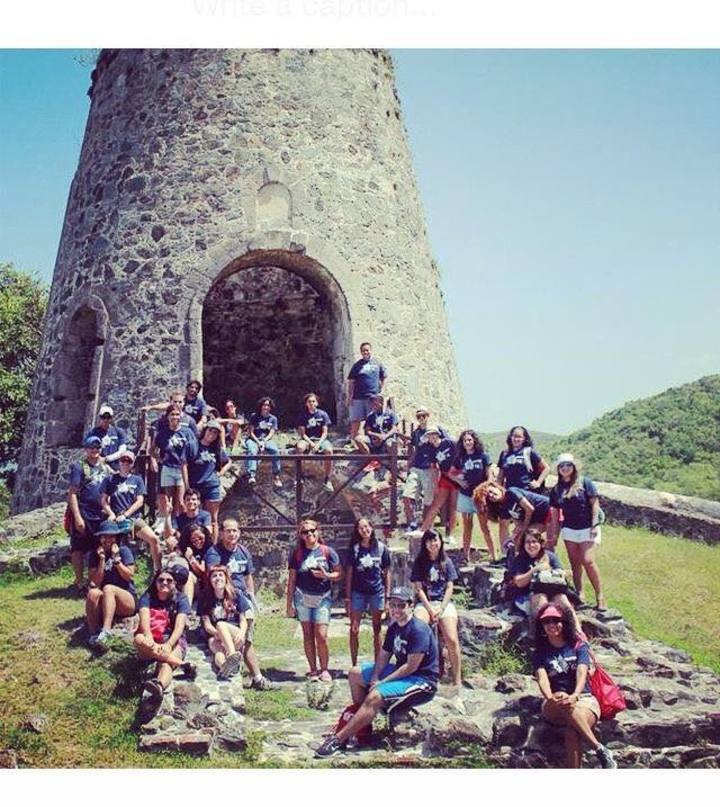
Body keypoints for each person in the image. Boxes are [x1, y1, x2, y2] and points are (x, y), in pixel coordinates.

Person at [314, 585, 438, 758]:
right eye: (392, 605)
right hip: (404, 673)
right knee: (355, 673)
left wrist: (382, 683)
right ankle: (362, 727)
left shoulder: (419, 630)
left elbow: (411, 666)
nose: (396, 609)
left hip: (422, 681)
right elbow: (384, 655)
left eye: (401, 605)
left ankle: (338, 739)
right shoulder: (395, 628)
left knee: (375, 695)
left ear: (410, 605)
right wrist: (374, 676)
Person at [533, 603, 617, 768]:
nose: (551, 625)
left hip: (584, 698)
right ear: (541, 626)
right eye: (546, 621)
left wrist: (575, 695)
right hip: (554, 701)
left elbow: (582, 671)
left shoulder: (578, 646)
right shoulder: (540, 652)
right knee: (561, 699)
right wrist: (550, 697)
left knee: (573, 731)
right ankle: (599, 749)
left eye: (556, 620)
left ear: (565, 622)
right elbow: (542, 677)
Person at [205, 518, 276, 690]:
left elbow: (248, 576)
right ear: (221, 533)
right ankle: (242, 672)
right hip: (225, 597)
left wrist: (251, 596)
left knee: (247, 639)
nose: (232, 534)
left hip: (242, 599)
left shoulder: (243, 551)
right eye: (228, 530)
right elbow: (215, 575)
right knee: (225, 641)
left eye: (235, 530)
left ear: (239, 532)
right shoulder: (215, 552)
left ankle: (256, 676)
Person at [286, 518, 342, 682]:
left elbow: (340, 573)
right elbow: (291, 580)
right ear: (301, 535)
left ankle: (324, 669)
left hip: (322, 598)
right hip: (302, 597)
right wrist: (289, 605)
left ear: (318, 532)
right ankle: (313, 669)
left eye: (312, 530)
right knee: (307, 635)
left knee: (321, 635)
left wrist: (327, 575)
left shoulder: (328, 552)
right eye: (305, 532)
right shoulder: (297, 553)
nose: (309, 534)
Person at [549, 453, 606, 610]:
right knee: (575, 563)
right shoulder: (556, 490)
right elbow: (555, 514)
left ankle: (600, 596)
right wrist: (554, 534)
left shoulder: (584, 482)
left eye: (568, 465)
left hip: (588, 526)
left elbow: (594, 503)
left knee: (588, 561)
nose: (565, 468)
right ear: (558, 469)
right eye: (562, 466)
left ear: (573, 467)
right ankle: (580, 593)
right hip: (569, 529)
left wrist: (594, 524)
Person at [134, 569, 197, 711]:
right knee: (139, 639)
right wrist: (149, 638)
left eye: (169, 580)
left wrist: (168, 645)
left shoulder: (181, 599)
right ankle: (183, 665)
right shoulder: (147, 597)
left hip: (172, 640)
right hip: (151, 640)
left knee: (165, 664)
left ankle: (159, 686)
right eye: (161, 580)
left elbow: (179, 626)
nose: (164, 583)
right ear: (155, 582)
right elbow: (144, 621)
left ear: (175, 583)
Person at [410, 529, 463, 688]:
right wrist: (430, 609)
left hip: (443, 603)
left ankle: (457, 679)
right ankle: (419, 672)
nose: (433, 544)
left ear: (441, 542)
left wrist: (441, 607)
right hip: (425, 603)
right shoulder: (419, 562)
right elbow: (418, 589)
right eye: (430, 541)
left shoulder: (447, 562)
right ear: (425, 544)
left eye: (436, 540)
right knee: (418, 629)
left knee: (452, 639)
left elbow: (449, 587)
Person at [99, 448, 161, 572]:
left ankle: (157, 570)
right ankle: (106, 570)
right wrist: (111, 514)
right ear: (119, 462)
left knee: (154, 539)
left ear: (132, 464)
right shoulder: (110, 479)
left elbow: (140, 501)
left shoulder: (137, 480)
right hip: (115, 518)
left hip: (133, 518)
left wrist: (126, 514)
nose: (125, 463)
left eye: (129, 461)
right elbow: (104, 500)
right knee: (107, 544)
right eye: (123, 460)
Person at [510, 528, 579, 632]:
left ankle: (577, 633)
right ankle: (539, 636)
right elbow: (518, 582)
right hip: (530, 592)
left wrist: (556, 572)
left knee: (563, 600)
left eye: (534, 542)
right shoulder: (520, 559)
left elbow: (563, 574)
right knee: (541, 601)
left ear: (541, 543)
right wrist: (534, 570)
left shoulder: (550, 556)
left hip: (553, 589)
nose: (531, 545)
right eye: (527, 542)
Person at [344, 517, 391, 666]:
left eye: (367, 526)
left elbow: (386, 572)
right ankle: (354, 664)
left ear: (371, 527)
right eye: (361, 528)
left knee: (377, 628)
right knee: (354, 627)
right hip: (358, 592)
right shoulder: (355, 549)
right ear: (357, 531)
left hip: (376, 592)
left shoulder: (381, 548)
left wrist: (388, 597)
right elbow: (349, 573)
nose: (365, 530)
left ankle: (378, 664)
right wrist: (347, 597)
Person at [67, 435, 110, 593]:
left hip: (100, 513)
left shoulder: (105, 467)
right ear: (86, 449)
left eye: (97, 447)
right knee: (78, 547)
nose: (95, 450)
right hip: (84, 511)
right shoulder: (79, 467)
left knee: (97, 546)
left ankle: (95, 580)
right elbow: (72, 493)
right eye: (92, 447)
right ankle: (79, 582)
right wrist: (77, 517)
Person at [85, 520, 137, 647]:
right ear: (100, 538)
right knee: (93, 593)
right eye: (105, 536)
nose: (108, 539)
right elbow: (95, 582)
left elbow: (129, 575)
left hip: (126, 600)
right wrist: (102, 560)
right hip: (106, 601)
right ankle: (93, 634)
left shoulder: (124, 551)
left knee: (109, 588)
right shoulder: (94, 555)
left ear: (116, 537)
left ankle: (106, 631)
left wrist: (116, 560)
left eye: (111, 536)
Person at [496, 426, 549, 547]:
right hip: (510, 494)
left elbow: (546, 468)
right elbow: (500, 475)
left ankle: (525, 552)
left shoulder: (529, 452)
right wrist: (499, 490)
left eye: (519, 436)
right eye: (514, 436)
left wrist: (538, 482)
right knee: (504, 523)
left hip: (525, 494)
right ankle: (505, 552)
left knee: (524, 528)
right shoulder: (504, 454)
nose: (516, 439)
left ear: (524, 438)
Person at [405, 426, 459, 544]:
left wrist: (461, 470)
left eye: (434, 434)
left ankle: (450, 535)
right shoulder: (432, 451)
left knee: (453, 507)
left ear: (438, 434)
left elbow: (461, 450)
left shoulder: (448, 442)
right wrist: (436, 484)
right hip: (445, 476)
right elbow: (435, 467)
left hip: (457, 475)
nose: (432, 437)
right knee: (436, 504)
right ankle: (423, 529)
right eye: (429, 435)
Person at [401, 408, 450, 530]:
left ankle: (426, 526)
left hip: (430, 468)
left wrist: (441, 461)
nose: (421, 419)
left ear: (428, 416)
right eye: (419, 417)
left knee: (428, 501)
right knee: (407, 495)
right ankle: (412, 523)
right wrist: (409, 464)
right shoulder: (416, 433)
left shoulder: (436, 429)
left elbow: (447, 443)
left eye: (423, 416)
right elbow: (415, 449)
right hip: (417, 467)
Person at [151, 404, 197, 531]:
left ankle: (180, 527)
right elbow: (152, 449)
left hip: (181, 470)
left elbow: (193, 450)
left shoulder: (187, 432)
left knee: (181, 501)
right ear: (167, 416)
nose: (175, 417)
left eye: (177, 414)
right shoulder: (163, 433)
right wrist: (159, 459)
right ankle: (167, 526)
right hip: (168, 468)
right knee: (168, 501)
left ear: (181, 415)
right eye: (172, 414)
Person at [453, 430, 497, 562]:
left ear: (474, 441)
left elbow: (490, 474)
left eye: (470, 440)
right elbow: (450, 472)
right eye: (465, 440)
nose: (467, 442)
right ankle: (466, 556)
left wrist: (486, 486)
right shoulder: (460, 458)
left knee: (485, 526)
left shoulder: (483, 456)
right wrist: (459, 480)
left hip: (479, 496)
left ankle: (494, 556)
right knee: (467, 526)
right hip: (465, 495)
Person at [199, 565, 250, 679]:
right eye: (214, 576)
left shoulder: (236, 594)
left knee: (220, 624)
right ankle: (225, 668)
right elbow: (207, 624)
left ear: (226, 578)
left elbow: (243, 620)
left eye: (221, 575)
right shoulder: (205, 597)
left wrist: (242, 633)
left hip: (235, 633)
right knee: (216, 649)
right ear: (210, 580)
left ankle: (232, 655)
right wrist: (217, 634)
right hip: (216, 636)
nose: (217, 578)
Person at [474, 481, 551, 555]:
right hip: (539, 519)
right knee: (520, 539)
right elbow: (517, 522)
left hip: (549, 511)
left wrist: (524, 527)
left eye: (490, 491)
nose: (491, 495)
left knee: (530, 536)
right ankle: (510, 558)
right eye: (488, 497)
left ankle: (551, 562)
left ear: (496, 487)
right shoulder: (503, 507)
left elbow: (529, 509)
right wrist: (513, 536)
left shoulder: (511, 492)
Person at [188, 420, 231, 540]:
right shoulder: (193, 445)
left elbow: (228, 462)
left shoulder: (216, 449)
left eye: (215, 433)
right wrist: (186, 485)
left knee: (212, 519)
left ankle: (211, 548)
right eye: (210, 430)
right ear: (205, 430)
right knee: (194, 518)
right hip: (195, 486)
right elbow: (184, 465)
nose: (212, 434)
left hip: (211, 485)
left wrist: (220, 474)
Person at [346, 342, 387, 444]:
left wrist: (382, 391)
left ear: (371, 350)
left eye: (367, 350)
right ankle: (353, 443)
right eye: (363, 350)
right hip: (358, 398)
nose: (366, 352)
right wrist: (349, 397)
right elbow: (351, 381)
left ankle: (370, 443)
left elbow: (384, 377)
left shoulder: (377, 363)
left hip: (373, 398)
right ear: (361, 352)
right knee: (355, 421)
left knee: (371, 421)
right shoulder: (357, 365)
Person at [295, 392, 334, 492]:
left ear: (317, 403)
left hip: (320, 439)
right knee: (299, 448)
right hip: (307, 439)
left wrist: (319, 444)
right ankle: (300, 476)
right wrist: (311, 443)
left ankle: (327, 479)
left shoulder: (323, 414)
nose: (311, 403)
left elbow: (325, 432)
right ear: (306, 404)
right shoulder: (302, 415)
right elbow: (302, 433)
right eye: (309, 402)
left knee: (329, 451)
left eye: (313, 401)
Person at [246, 396, 283, 489]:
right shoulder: (254, 416)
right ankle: (252, 475)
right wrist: (258, 442)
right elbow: (250, 432)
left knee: (275, 451)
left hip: (266, 440)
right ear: (261, 406)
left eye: (268, 405)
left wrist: (264, 441)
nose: (266, 407)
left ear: (271, 407)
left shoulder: (273, 419)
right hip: (254, 439)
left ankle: (276, 475)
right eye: (264, 405)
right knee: (252, 451)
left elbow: (272, 432)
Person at [84, 404, 128, 470]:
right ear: (99, 417)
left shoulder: (119, 432)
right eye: (103, 417)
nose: (106, 420)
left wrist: (107, 459)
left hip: (115, 467)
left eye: (108, 417)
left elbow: (122, 450)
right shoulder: (92, 433)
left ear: (112, 418)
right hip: (98, 466)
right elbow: (88, 449)